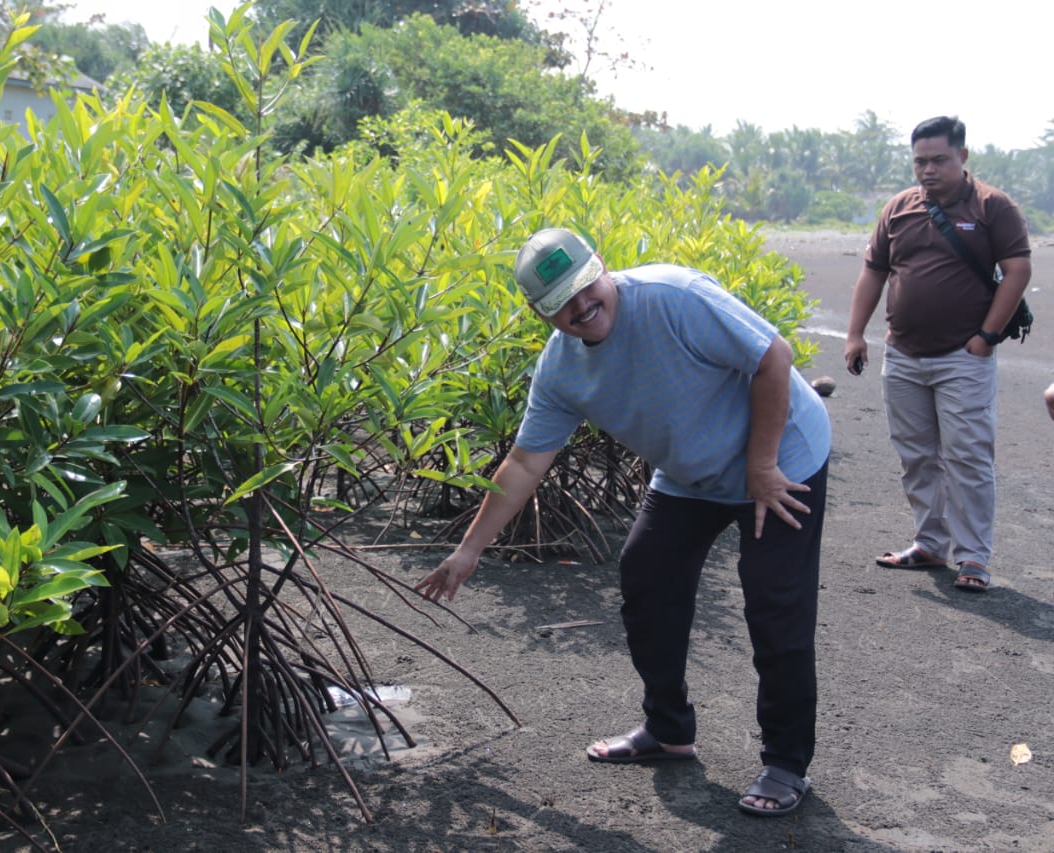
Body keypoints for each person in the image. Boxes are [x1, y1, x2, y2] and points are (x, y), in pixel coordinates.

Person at [415, 228, 832, 817]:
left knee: (775, 603)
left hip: (782, 459)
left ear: (603, 268)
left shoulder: (674, 296)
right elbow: (525, 462)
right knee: (647, 581)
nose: (582, 305)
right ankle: (668, 731)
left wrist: (761, 466)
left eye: (587, 286)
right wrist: (469, 551)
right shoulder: (560, 372)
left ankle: (786, 762)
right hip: (690, 474)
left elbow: (774, 357)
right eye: (562, 300)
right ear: (539, 312)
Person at [844, 116, 1032, 593]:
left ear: (962, 157)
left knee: (967, 457)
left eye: (938, 160)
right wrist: (855, 335)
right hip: (903, 356)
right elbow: (874, 272)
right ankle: (930, 543)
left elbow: (1017, 271)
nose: (927, 170)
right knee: (917, 455)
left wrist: (986, 338)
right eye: (919, 161)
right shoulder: (899, 209)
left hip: (962, 357)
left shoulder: (993, 207)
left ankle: (973, 558)